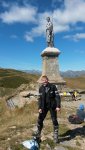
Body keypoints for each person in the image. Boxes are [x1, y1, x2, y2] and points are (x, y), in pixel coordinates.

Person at [34, 75, 61, 143]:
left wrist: (58, 106)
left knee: (54, 120)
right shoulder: (40, 88)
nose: (44, 81)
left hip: (52, 106)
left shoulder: (53, 87)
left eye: (45, 80)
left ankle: (55, 135)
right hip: (44, 107)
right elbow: (40, 99)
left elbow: (57, 97)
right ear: (41, 81)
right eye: (43, 80)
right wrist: (39, 107)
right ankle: (38, 134)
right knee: (40, 120)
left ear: (47, 80)